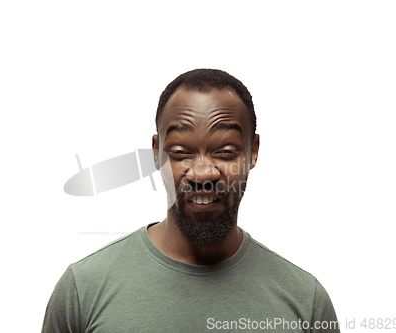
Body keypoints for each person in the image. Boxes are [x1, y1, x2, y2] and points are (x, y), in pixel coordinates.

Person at [41, 69, 340, 332]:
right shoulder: (82, 291)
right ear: (157, 153)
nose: (202, 173)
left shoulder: (305, 303)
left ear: (253, 151)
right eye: (181, 152)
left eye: (225, 151)